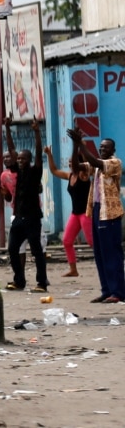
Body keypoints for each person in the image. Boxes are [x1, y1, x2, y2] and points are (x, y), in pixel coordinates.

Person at [68, 126, 124, 303]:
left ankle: (118, 292)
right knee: (99, 253)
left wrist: (81, 144)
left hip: (111, 213)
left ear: (113, 150)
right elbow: (76, 166)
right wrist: (76, 146)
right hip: (97, 210)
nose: (102, 150)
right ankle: (107, 290)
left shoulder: (114, 163)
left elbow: (95, 161)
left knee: (111, 253)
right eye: (100, 147)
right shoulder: (97, 167)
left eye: (105, 147)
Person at [3, 118, 49, 292]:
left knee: (37, 251)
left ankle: (42, 283)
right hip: (18, 218)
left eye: (23, 159)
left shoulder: (34, 171)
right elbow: (11, 149)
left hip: (32, 218)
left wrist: (37, 132)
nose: (20, 161)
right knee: (13, 249)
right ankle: (19, 281)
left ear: (29, 161)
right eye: (19, 159)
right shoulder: (17, 171)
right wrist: (7, 128)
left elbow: (38, 153)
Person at [44, 140, 92, 278]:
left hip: (86, 213)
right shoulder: (70, 175)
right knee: (66, 241)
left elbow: (85, 163)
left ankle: (107, 261)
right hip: (75, 214)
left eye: (73, 163)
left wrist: (81, 146)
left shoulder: (84, 175)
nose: (70, 165)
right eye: (69, 163)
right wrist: (49, 154)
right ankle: (73, 269)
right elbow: (54, 170)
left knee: (92, 242)